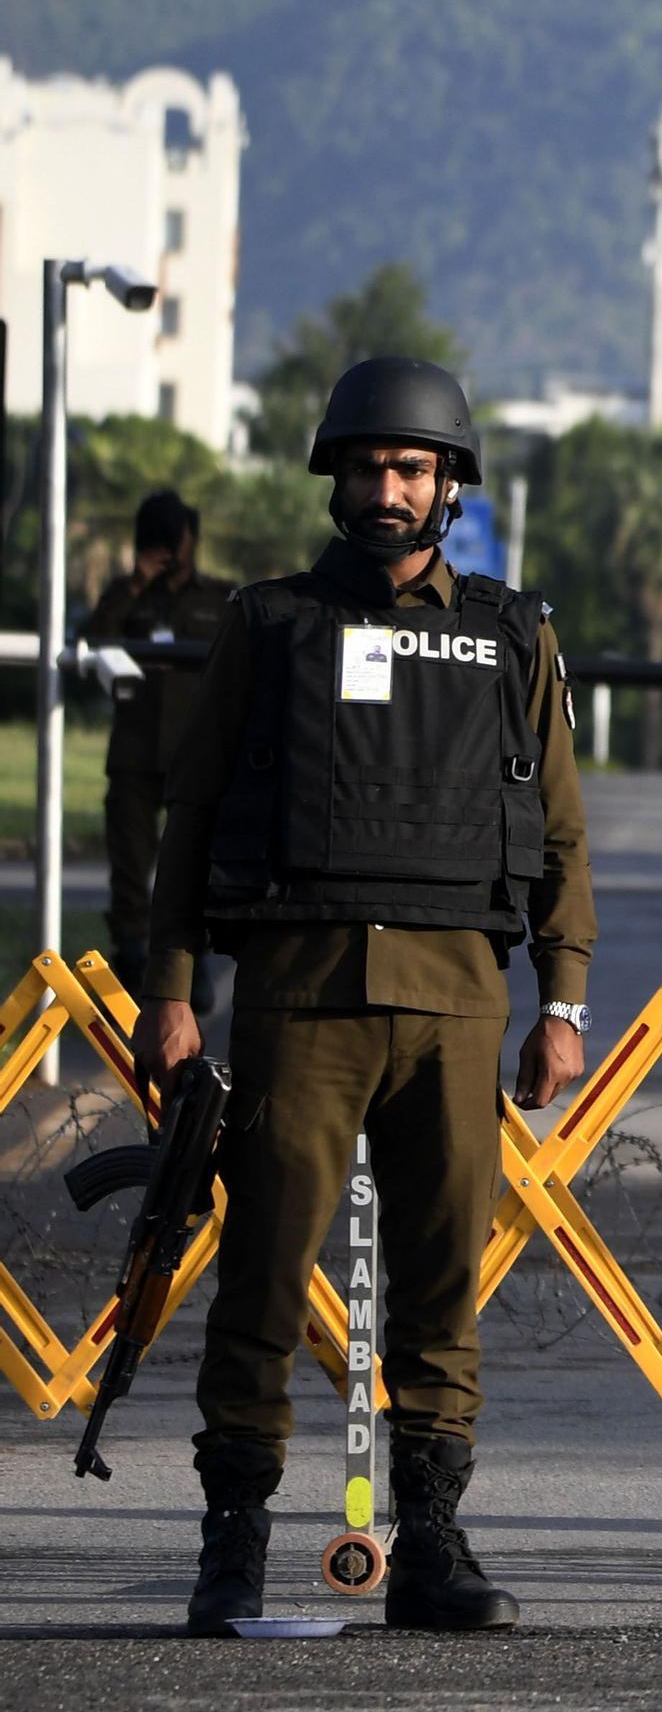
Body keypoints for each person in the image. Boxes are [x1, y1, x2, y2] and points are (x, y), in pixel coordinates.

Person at [137, 357, 593, 1636]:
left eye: (412, 468)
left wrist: (562, 1004)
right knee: (264, 1281)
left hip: (456, 1007)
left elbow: (560, 834)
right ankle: (233, 1545)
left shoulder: (513, 634)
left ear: (449, 485)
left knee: (442, 1289)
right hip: (302, 999)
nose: (389, 489)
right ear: (335, 480)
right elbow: (192, 814)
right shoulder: (270, 624)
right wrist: (170, 989)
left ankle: (431, 1545)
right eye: (369, 467)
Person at [91, 488, 238, 996]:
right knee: (129, 868)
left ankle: (191, 966)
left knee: (195, 864)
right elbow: (91, 642)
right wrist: (135, 582)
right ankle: (130, 959)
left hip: (194, 757)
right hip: (134, 754)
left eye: (172, 540)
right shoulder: (126, 596)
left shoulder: (219, 598)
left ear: (190, 538)